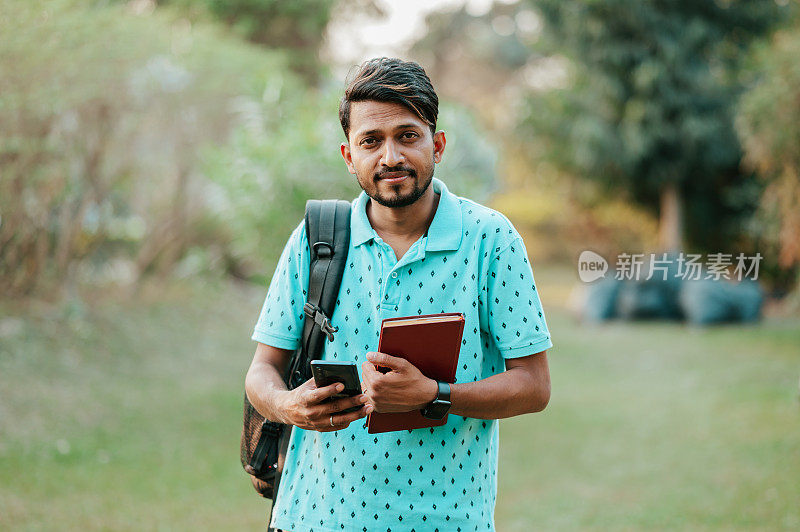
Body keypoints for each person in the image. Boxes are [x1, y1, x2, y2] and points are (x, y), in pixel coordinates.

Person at [245, 57, 552, 532]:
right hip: (311, 518)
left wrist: (434, 394)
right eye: (371, 140)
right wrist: (289, 406)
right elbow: (262, 371)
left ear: (438, 144)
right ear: (349, 156)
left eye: (407, 135)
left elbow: (533, 386)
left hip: (447, 521)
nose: (391, 156)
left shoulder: (491, 238)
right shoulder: (316, 237)